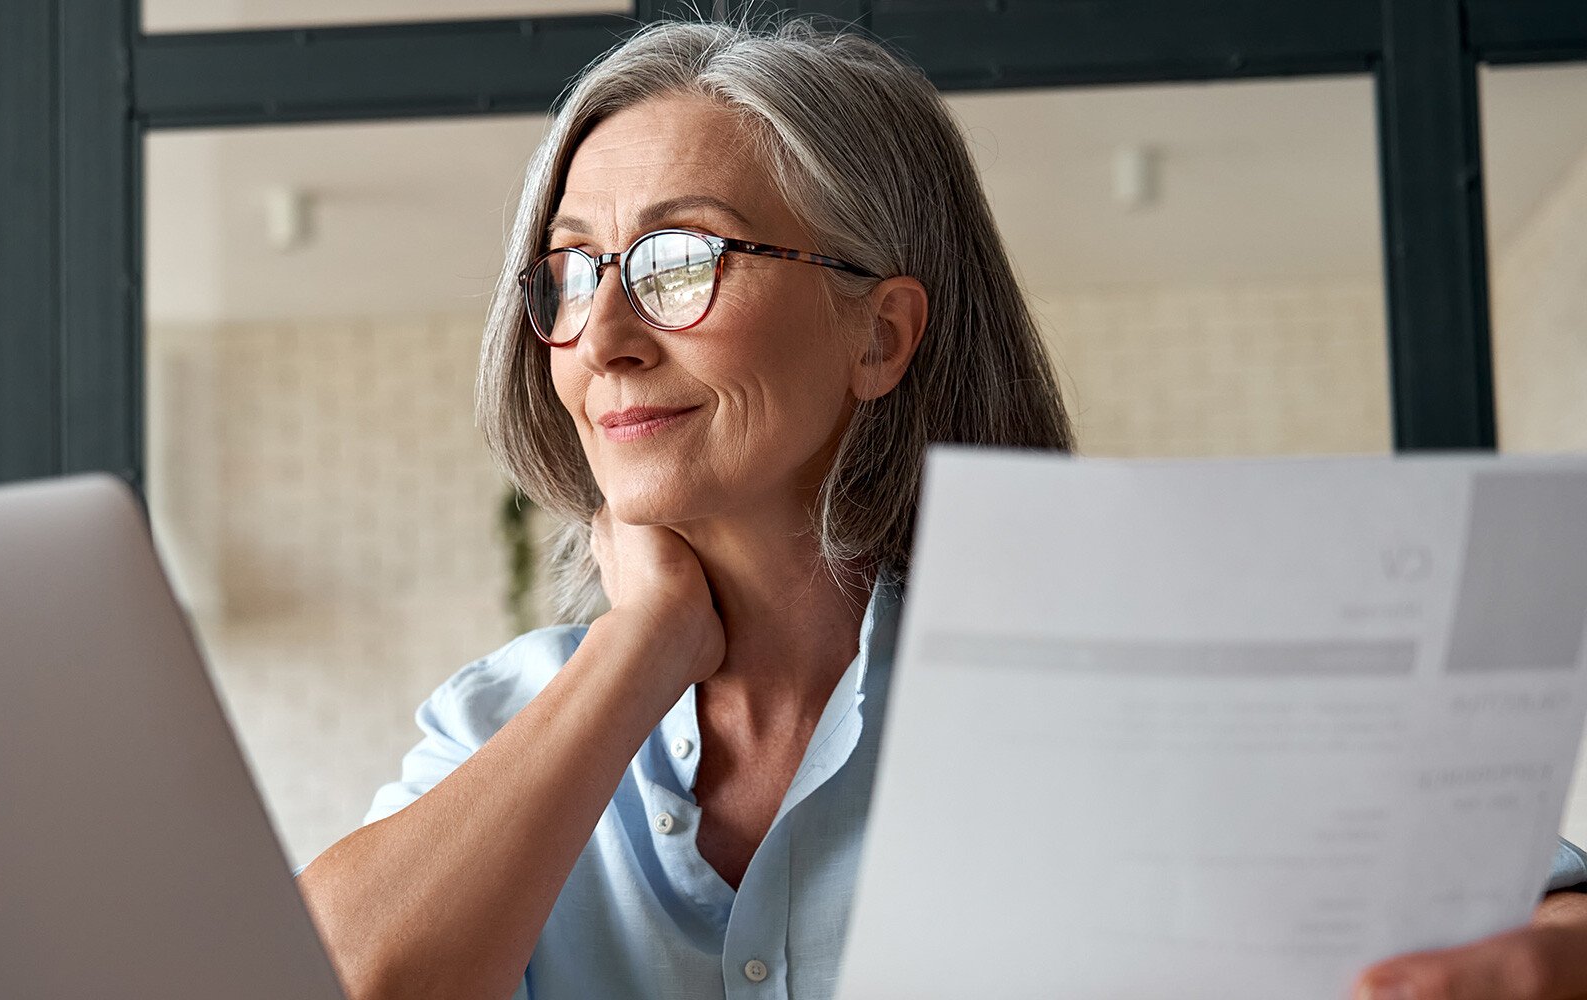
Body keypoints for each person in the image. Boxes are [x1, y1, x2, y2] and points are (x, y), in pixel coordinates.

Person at [295, 18, 1587, 1000]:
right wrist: (641, 650)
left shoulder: (1108, 684)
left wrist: (1515, 970)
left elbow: (1549, 922)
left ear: (882, 335)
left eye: (680, 260)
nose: (605, 336)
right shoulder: (498, 721)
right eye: (571, 274)